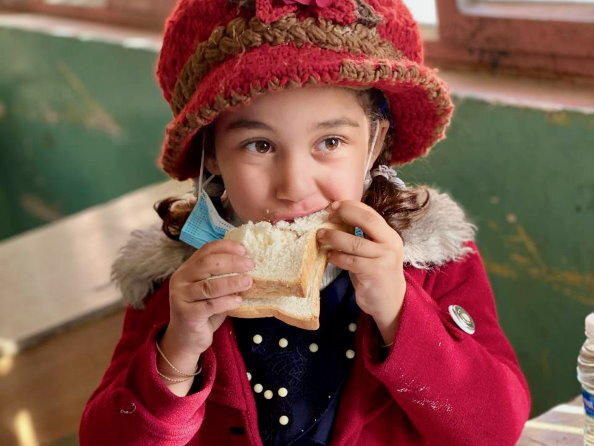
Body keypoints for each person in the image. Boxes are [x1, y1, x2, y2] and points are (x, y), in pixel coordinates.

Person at [79, 0, 531, 444]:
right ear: (211, 155)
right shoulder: (178, 283)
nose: (294, 186)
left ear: (374, 144)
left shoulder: (433, 262)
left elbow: (494, 430)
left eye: (330, 141)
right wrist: (178, 348)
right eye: (259, 145)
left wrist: (399, 309)